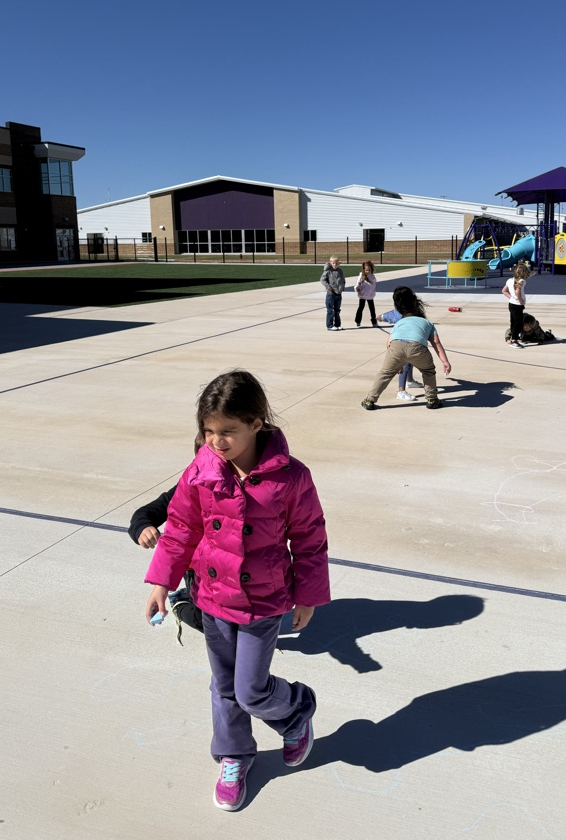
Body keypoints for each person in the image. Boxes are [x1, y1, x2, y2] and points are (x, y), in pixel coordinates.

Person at [144, 370, 330, 813]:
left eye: (227, 431)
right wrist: (160, 580)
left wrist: (308, 595)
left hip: (264, 602)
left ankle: (296, 710)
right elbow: (182, 529)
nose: (216, 441)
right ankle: (234, 754)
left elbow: (309, 538)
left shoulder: (291, 477)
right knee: (223, 687)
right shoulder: (201, 471)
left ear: (256, 423)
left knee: (250, 690)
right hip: (212, 598)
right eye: (208, 431)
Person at [129, 437, 204, 643]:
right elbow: (145, 513)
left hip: (232, 567)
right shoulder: (188, 488)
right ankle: (180, 601)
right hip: (197, 568)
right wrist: (142, 528)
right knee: (207, 622)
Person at [361, 286, 451, 410]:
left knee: (385, 374)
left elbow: (389, 343)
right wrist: (445, 361)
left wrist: (397, 362)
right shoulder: (427, 323)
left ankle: (369, 400)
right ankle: (432, 399)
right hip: (418, 349)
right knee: (428, 371)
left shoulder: (399, 323)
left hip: (396, 348)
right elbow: (436, 343)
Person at [377, 306, 423, 400]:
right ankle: (401, 391)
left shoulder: (404, 311)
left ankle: (409, 381)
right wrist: (380, 317)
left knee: (410, 362)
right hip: (401, 343)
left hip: (409, 342)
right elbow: (386, 316)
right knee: (404, 366)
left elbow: (385, 316)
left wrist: (381, 317)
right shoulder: (402, 312)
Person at [502, 262, 531, 349]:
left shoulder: (509, 280)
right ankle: (514, 339)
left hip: (511, 304)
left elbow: (504, 291)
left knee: (513, 321)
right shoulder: (521, 281)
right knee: (518, 322)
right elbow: (518, 291)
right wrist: (520, 300)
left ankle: (512, 337)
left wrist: (511, 297)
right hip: (517, 305)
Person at [320, 255, 345, 331]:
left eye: (336, 263)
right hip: (331, 294)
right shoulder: (328, 271)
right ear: (330, 263)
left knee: (337, 310)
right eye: (333, 263)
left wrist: (342, 287)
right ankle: (330, 325)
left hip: (338, 294)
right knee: (330, 310)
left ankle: (337, 324)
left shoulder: (340, 271)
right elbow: (322, 280)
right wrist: (328, 288)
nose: (335, 265)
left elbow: (343, 280)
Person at [354, 260, 378, 327]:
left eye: (369, 270)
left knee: (372, 309)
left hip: (370, 295)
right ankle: (358, 321)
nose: (368, 272)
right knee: (360, 308)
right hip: (362, 295)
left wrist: (372, 292)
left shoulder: (373, 277)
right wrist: (357, 289)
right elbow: (357, 285)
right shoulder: (361, 277)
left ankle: (374, 322)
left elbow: (373, 286)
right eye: (366, 270)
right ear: (364, 269)